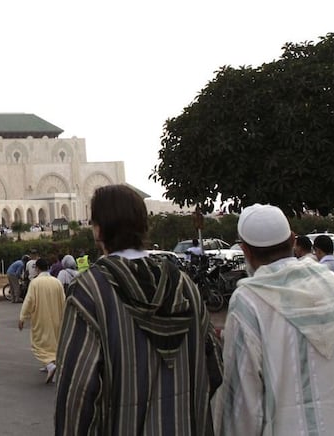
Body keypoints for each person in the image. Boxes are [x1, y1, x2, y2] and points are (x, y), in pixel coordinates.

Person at [55, 184, 216, 435]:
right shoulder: (185, 286)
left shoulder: (90, 293)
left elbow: (77, 393)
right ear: (144, 226)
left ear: (98, 230)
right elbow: (214, 368)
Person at [213, 204, 334, 435]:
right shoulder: (333, 286)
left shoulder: (249, 302)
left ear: (245, 251)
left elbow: (242, 403)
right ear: (293, 240)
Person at [18, 255, 65, 383]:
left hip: (41, 318)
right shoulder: (56, 282)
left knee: (39, 344)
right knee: (54, 342)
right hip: (57, 318)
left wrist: (22, 317)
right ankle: (51, 365)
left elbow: (29, 301)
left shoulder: (35, 283)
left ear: (37, 268)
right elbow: (64, 300)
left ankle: (50, 365)